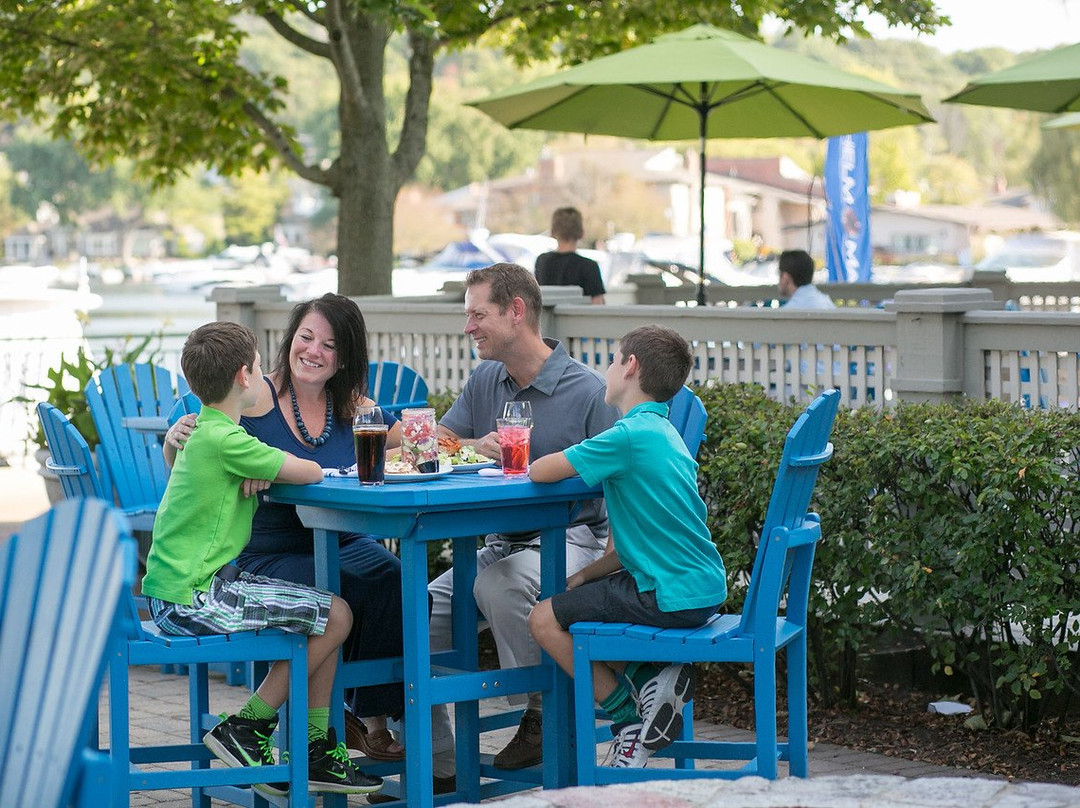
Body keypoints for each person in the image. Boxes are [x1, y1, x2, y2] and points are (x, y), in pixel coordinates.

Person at [143, 321, 382, 796]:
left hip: (181, 592)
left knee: (326, 611)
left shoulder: (210, 436)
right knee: (335, 615)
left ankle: (314, 749)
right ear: (244, 376)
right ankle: (248, 727)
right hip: (193, 597)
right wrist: (265, 465)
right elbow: (310, 470)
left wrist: (258, 470)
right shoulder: (229, 441)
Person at [428, 263, 618, 773]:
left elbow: (621, 489)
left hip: (573, 539)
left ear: (516, 312)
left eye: (478, 314)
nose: (468, 327)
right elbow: (440, 444)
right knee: (411, 619)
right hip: (497, 543)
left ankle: (541, 715)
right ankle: (441, 763)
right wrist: (475, 445)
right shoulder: (486, 378)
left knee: (502, 584)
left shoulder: (588, 392)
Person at [527, 324, 726, 768]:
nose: (609, 369)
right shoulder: (666, 433)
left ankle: (626, 723)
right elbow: (627, 551)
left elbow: (541, 470)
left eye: (614, 359)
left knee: (544, 620)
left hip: (664, 595)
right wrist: (583, 576)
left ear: (631, 367)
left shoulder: (626, 437)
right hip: (699, 590)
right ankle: (652, 676)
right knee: (576, 609)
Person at [534, 206, 606, 304]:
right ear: (581, 233)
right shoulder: (589, 267)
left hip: (547, 319)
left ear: (552, 233)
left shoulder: (542, 261)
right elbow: (597, 305)